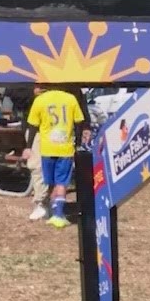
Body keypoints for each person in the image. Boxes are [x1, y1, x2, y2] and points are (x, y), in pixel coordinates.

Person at [16, 83, 86, 228]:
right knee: (59, 181)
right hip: (63, 146)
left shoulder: (42, 100)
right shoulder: (69, 98)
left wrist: (27, 147)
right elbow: (79, 121)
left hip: (48, 147)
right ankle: (54, 212)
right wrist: (77, 143)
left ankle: (54, 211)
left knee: (52, 181)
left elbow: (33, 124)